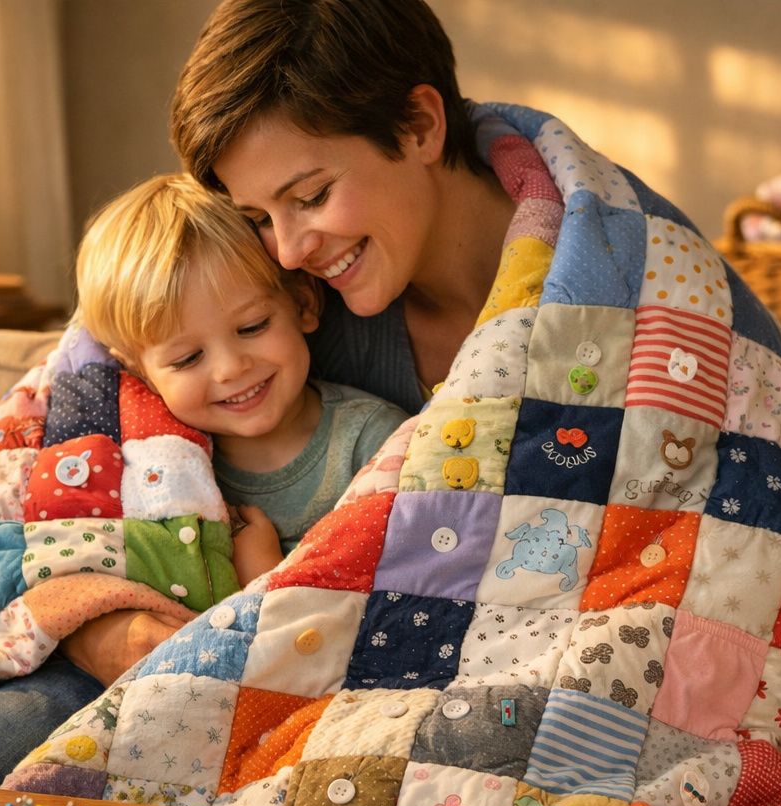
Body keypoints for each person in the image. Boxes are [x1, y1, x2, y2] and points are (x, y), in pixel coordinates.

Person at [58, 0, 515, 684]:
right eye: (258, 217)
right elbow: (67, 414)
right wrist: (91, 619)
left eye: (312, 195)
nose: (291, 251)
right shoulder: (259, 281)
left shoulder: (626, 279)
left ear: (419, 125)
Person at [0, 172, 407, 785]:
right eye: (187, 358)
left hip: (283, 694)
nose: (232, 368)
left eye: (253, 327)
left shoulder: (372, 440)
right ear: (141, 372)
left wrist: (262, 579)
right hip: (112, 671)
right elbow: (62, 561)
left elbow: (380, 609)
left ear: (303, 304)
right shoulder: (140, 461)